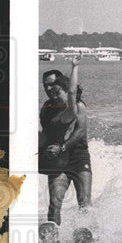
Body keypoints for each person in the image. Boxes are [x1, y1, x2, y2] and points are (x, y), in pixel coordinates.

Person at [39, 55, 91, 225]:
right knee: (54, 204)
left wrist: (75, 67)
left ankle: (87, 232)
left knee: (84, 202)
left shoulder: (76, 106)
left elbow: (81, 131)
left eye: (52, 84)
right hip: (58, 160)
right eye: (45, 85)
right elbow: (44, 133)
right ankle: (53, 238)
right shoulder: (47, 108)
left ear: (60, 84)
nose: (48, 88)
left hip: (78, 157)